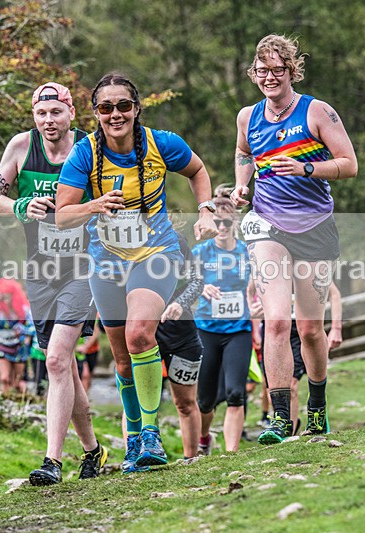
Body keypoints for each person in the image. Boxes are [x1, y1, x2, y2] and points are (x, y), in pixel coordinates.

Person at [56, 72, 217, 472]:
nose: (115, 114)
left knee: (141, 333)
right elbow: (62, 217)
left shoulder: (163, 144)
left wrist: (206, 210)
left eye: (123, 106)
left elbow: (198, 172)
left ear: (136, 107)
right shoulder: (84, 154)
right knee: (123, 358)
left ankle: (150, 436)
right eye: (106, 107)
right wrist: (94, 206)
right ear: (95, 113)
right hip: (107, 260)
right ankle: (133, 440)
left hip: (155, 253)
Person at [231, 34, 358, 444]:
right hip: (268, 223)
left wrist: (306, 170)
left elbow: (349, 165)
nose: (269, 77)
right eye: (262, 70)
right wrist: (240, 186)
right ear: (254, 73)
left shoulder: (316, 111)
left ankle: (317, 408)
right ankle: (281, 419)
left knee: (309, 329)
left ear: (291, 70)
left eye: (277, 70)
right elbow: (243, 153)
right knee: (276, 321)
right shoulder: (247, 117)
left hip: (315, 226)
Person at [0, 82, 105, 484]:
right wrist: (20, 204)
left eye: (56, 112)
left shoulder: (91, 147)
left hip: (83, 268)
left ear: (72, 112)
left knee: (55, 361)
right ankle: (92, 451)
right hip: (41, 271)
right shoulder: (21, 146)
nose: (49, 121)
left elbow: (114, 198)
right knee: (63, 365)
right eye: (41, 114)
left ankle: (51, 461)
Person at [193, 197, 253, 454]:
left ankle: (231, 453)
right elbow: (184, 284)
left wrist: (259, 305)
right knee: (205, 400)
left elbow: (260, 287)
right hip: (206, 330)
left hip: (239, 330)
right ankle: (204, 438)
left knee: (236, 393)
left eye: (227, 221)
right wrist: (201, 288)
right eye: (216, 221)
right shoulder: (201, 252)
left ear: (234, 221)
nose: (222, 226)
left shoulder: (247, 253)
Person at [155, 226, 204, 460]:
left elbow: (197, 280)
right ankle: (134, 458)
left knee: (184, 402)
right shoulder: (123, 240)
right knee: (140, 401)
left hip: (181, 332)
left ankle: (191, 458)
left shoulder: (176, 239)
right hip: (145, 332)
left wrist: (180, 303)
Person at [287, 283, 342, 434]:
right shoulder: (271, 266)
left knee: (291, 384)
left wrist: (336, 328)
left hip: (302, 330)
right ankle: (285, 424)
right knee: (272, 389)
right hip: (276, 329)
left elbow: (334, 293)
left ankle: (292, 431)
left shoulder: (305, 264)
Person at [0, 278, 33, 395]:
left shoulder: (24, 310)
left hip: (19, 347)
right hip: (0, 345)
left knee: (16, 381)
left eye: (7, 297)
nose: (5, 300)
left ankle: (16, 403)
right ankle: (4, 403)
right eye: (3, 296)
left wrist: (23, 331)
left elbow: (32, 326)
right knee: (4, 378)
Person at [75, 319, 102, 393]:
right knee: (85, 375)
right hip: (79, 351)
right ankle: (82, 400)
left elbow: (97, 331)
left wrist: (86, 346)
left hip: (92, 350)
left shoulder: (93, 311)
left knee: (89, 376)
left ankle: (85, 397)